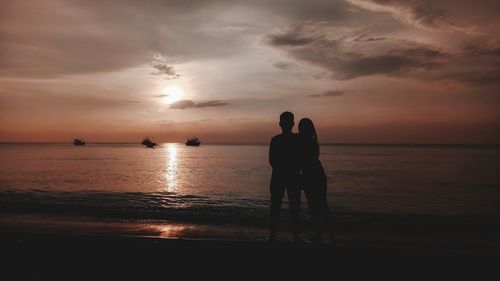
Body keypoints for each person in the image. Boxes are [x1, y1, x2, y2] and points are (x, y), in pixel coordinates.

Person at [298, 118, 335, 244]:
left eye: (301, 128)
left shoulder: (306, 142)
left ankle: (326, 234)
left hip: (312, 177)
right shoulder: (311, 141)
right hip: (316, 175)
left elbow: (304, 161)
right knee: (319, 206)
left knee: (318, 206)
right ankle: (324, 234)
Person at [268, 111, 301, 242]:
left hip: (280, 176)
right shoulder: (296, 139)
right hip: (288, 176)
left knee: (277, 206)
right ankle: (294, 236)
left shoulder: (276, 140)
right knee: (293, 206)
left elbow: (272, 161)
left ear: (280, 124)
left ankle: (273, 234)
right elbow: (301, 159)